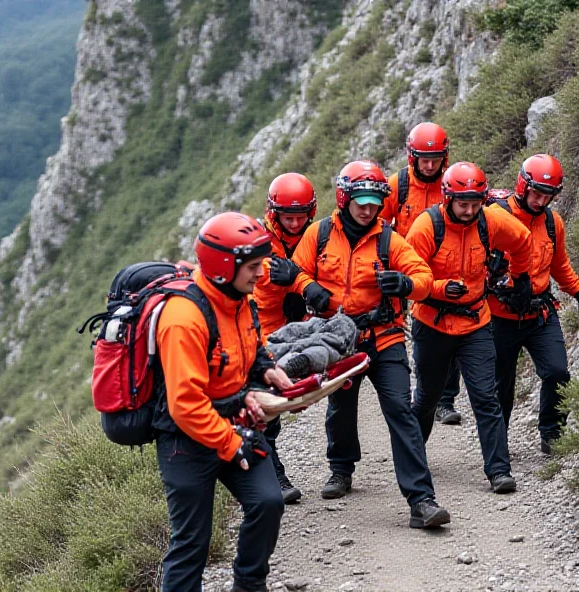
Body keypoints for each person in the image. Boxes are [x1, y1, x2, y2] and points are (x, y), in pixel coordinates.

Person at [274, 160, 451, 529]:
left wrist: (406, 285)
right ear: (344, 198)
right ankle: (340, 470)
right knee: (341, 407)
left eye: (374, 202)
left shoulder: (389, 240)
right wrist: (311, 290)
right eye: (362, 201)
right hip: (340, 341)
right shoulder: (319, 234)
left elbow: (423, 275)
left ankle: (421, 499)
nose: (368, 209)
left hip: (384, 337)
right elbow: (297, 271)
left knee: (401, 410)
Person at [153, 212, 294, 592]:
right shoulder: (183, 318)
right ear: (222, 267)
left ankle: (249, 586)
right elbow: (185, 404)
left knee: (267, 503)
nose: (261, 273)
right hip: (186, 439)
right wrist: (231, 443)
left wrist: (266, 368)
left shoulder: (239, 298)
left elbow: (251, 342)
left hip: (235, 422)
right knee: (191, 544)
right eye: (252, 266)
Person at [406, 162, 533, 493]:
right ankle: (413, 459)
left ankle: (498, 471)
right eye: (463, 204)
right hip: (431, 323)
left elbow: (523, 240)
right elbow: (408, 278)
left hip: (475, 322)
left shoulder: (489, 220)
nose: (470, 210)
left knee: (485, 396)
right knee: (427, 397)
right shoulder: (425, 227)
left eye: (476, 203)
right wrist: (438, 289)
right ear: (448, 199)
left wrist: (519, 277)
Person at [486, 154, 579, 455]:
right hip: (500, 315)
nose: (541, 200)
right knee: (500, 385)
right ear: (523, 185)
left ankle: (552, 433)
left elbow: (559, 265)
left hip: (540, 313)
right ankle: (497, 444)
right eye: (537, 193)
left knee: (558, 371)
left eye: (548, 195)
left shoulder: (552, 222)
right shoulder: (496, 215)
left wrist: (578, 290)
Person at [380, 122, 464, 426]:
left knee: (450, 328)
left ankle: (444, 400)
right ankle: (401, 383)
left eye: (436, 159)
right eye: (424, 159)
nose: (430, 166)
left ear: (445, 157)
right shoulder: (396, 186)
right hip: (404, 270)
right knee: (399, 329)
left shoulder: (453, 184)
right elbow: (377, 225)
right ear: (411, 157)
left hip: (445, 269)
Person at [253, 172, 317, 504]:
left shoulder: (319, 235)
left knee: (302, 397)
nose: (294, 223)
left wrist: (297, 280)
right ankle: (272, 475)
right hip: (264, 335)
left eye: (300, 216)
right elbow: (258, 277)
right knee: (268, 410)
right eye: (287, 217)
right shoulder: (257, 239)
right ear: (274, 213)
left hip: (300, 330)